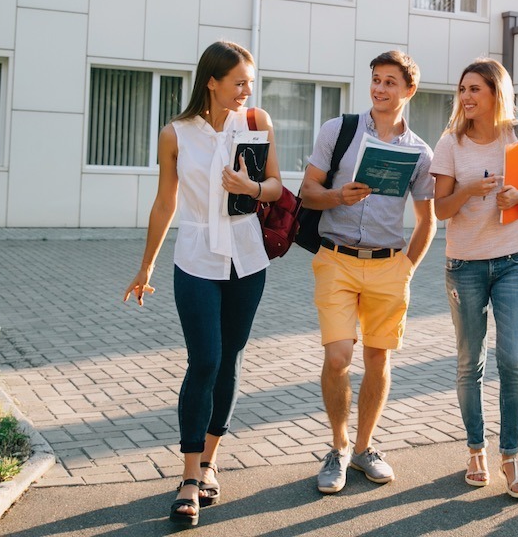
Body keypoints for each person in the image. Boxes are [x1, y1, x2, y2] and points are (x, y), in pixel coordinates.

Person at [123, 41, 282, 525]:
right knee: (205, 359)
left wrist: (250, 189)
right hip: (195, 256)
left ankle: (210, 462)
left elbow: (276, 186)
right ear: (211, 81)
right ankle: (188, 475)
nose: (246, 91)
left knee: (230, 359)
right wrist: (146, 265)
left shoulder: (257, 123)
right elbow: (164, 203)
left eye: (250, 83)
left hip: (248, 257)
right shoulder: (175, 134)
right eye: (238, 82)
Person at [300, 50, 437, 494]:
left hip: (387, 266)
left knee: (378, 359)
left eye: (390, 82)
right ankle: (338, 448)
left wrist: (407, 269)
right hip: (336, 259)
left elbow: (428, 219)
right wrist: (339, 197)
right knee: (338, 357)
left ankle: (364, 448)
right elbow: (306, 192)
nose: (379, 89)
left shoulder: (419, 152)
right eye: (375, 80)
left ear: (408, 90)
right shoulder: (338, 131)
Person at [430, 58, 518, 498]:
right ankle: (475, 447)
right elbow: (439, 209)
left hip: (514, 258)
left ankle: (511, 455)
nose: (466, 97)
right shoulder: (450, 143)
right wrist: (468, 191)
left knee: (513, 359)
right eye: (462, 89)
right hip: (465, 264)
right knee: (469, 362)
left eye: (475, 89)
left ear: (496, 93)